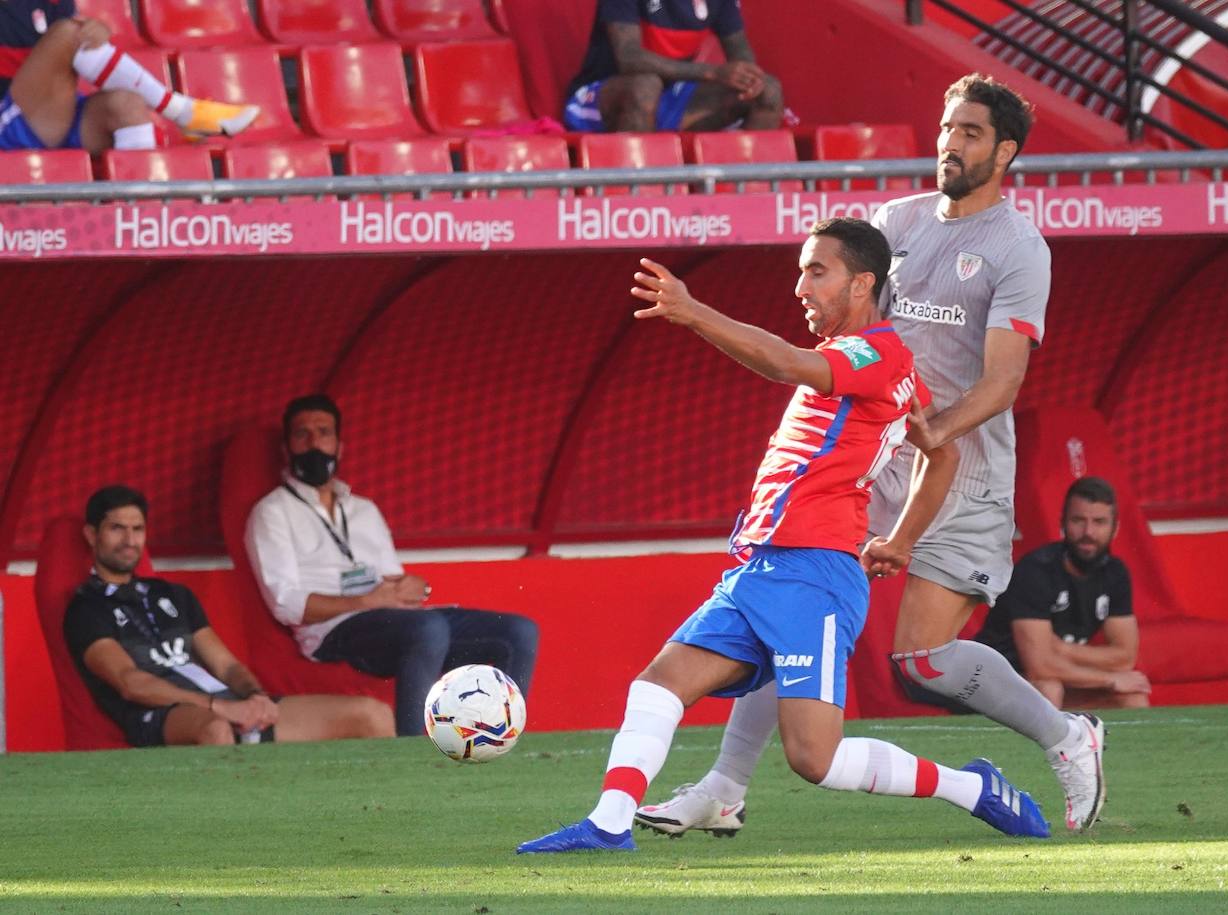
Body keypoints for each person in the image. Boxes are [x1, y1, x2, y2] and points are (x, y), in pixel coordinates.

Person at [637, 73, 1109, 840]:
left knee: (920, 659)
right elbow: (853, 336)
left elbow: (1004, 380)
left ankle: (1067, 735)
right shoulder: (897, 221)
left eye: (972, 133)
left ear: (1007, 152)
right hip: (873, 462)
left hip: (963, 468)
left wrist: (935, 430)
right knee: (787, 615)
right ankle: (724, 785)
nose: (951, 144)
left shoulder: (1018, 248)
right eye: (948, 127)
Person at [517, 217, 1050, 855]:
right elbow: (939, 451)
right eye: (800, 270)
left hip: (815, 574)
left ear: (862, 284)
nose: (800, 286)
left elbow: (787, 364)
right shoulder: (871, 365)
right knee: (659, 684)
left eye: (815, 271)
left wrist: (692, 313)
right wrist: (899, 540)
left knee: (813, 759)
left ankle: (970, 787)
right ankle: (606, 825)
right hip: (762, 567)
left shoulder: (874, 352)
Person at [244, 394, 540, 738]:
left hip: (393, 618)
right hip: (332, 630)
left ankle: (493, 741)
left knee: (519, 631)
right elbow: (287, 605)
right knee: (426, 629)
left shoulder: (364, 510)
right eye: (302, 435)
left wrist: (414, 589)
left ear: (339, 447)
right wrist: (370, 601)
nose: (314, 444)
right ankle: (414, 754)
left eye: (323, 433)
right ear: (286, 448)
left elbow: (394, 583)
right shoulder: (272, 511)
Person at [65, 485, 394, 747]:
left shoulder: (172, 595)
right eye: (117, 529)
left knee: (372, 714)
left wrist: (255, 697)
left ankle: (390, 823)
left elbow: (226, 665)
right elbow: (131, 684)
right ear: (92, 535)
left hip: (228, 703)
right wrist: (217, 706)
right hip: (161, 715)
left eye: (137, 529)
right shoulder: (86, 608)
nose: (129, 540)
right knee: (217, 730)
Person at [974, 477, 1150, 709]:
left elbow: (1124, 657)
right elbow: (1039, 666)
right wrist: (1109, 679)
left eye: (1099, 522)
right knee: (1049, 688)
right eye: (1078, 520)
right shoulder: (1036, 570)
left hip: (1053, 678)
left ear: (1114, 528)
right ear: (1063, 524)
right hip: (997, 678)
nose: (1088, 532)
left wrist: (1060, 648)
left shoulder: (1115, 573)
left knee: (1133, 698)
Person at [0, 3, 257, 153]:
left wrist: (96, 31)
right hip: (8, 121)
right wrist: (73, 34)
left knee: (128, 106)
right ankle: (183, 112)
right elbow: (65, 39)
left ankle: (141, 224)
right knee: (69, 34)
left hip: (52, 114)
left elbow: (74, 47)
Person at [563, 0, 783, 133]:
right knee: (645, 87)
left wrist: (749, 76)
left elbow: (741, 51)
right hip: (603, 98)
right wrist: (712, 72)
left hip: (670, 96)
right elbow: (628, 57)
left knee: (768, 91)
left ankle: (740, 198)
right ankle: (634, 201)